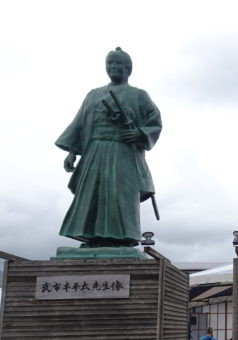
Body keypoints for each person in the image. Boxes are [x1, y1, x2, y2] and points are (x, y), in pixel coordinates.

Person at [57, 47, 162, 248]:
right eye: (110, 64)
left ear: (128, 69)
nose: (113, 68)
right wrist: (72, 152)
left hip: (122, 151)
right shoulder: (93, 95)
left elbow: (154, 121)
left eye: (118, 64)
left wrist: (139, 133)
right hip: (94, 151)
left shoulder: (138, 95)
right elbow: (80, 123)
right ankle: (92, 237)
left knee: (120, 194)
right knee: (92, 193)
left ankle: (123, 238)